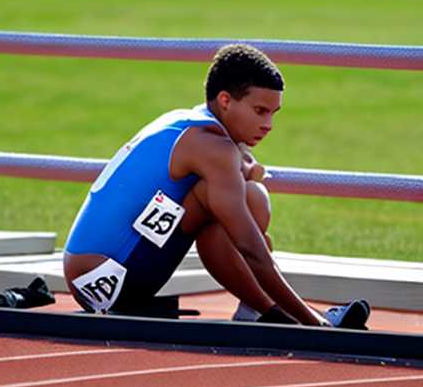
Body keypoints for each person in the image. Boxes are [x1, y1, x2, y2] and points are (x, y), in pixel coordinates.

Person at [63, 43, 370, 329]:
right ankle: (276, 314)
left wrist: (245, 166)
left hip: (89, 277)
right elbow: (252, 249)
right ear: (225, 101)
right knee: (250, 200)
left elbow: (239, 164)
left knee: (239, 198)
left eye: (274, 114)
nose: (268, 125)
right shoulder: (214, 148)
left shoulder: (189, 123)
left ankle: (262, 311)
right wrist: (313, 324)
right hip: (109, 280)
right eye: (260, 111)